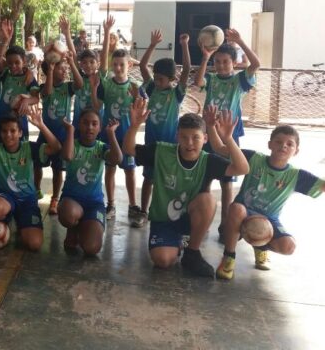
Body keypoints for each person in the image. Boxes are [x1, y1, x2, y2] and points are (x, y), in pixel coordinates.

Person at [123, 98, 248, 277]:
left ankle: (192, 252)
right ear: (177, 137)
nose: (190, 143)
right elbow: (128, 149)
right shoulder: (161, 151)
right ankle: (176, 243)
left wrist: (227, 139)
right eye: (184, 137)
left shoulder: (208, 160)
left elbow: (242, 169)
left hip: (190, 219)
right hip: (163, 220)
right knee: (163, 260)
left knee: (208, 200)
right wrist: (134, 126)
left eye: (196, 137)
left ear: (205, 139)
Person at [208, 121, 325, 280]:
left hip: (269, 219)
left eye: (289, 144)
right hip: (243, 212)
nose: (283, 146)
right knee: (237, 208)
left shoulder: (297, 175)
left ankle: (261, 245)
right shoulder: (254, 158)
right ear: (270, 144)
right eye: (278, 142)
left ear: (296, 151)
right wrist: (212, 127)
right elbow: (219, 148)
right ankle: (229, 257)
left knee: (288, 246)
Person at [194, 27, 260, 240]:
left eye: (225, 61)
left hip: (229, 136)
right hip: (207, 133)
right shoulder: (212, 79)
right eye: (218, 61)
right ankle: (201, 221)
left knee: (227, 182)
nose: (221, 65)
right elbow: (198, 82)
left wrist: (240, 42)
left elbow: (256, 64)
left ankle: (225, 225)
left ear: (234, 63)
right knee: (203, 180)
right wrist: (206, 58)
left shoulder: (239, 81)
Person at [0, 106, 60, 252]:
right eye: (4, 131)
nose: (8, 135)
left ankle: (22, 221)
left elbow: (56, 147)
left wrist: (41, 125)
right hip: (6, 197)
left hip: (27, 200)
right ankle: (7, 217)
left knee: (34, 244)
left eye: (13, 131)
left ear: (20, 133)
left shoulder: (29, 148)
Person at [134, 30, 191, 228]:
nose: (157, 82)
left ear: (172, 79)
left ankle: (169, 213)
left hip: (170, 146)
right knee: (148, 178)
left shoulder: (177, 94)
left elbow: (187, 70)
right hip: (152, 143)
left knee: (170, 181)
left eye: (161, 79)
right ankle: (143, 211)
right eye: (155, 78)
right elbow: (143, 66)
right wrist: (152, 45)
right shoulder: (151, 89)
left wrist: (184, 45)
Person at [98, 15, 144, 224]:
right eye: (114, 64)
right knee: (110, 169)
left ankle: (133, 205)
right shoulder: (107, 83)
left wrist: (139, 102)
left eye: (121, 65)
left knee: (130, 170)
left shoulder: (135, 87)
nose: (117, 68)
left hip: (127, 136)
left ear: (129, 66)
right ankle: (111, 204)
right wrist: (107, 32)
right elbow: (102, 64)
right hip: (109, 135)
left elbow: (141, 110)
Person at [58, 109, 122, 255]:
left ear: (100, 128)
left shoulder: (102, 147)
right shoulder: (72, 144)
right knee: (68, 215)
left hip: (94, 203)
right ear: (79, 125)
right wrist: (70, 130)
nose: (90, 127)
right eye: (85, 123)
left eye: (94, 124)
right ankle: (73, 228)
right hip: (72, 200)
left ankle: (84, 226)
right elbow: (67, 156)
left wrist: (111, 133)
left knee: (91, 248)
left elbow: (117, 159)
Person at [37, 40, 83, 215]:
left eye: (66, 69)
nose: (65, 72)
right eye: (61, 69)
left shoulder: (68, 87)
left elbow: (80, 84)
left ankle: (55, 199)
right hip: (45, 134)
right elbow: (48, 92)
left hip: (62, 136)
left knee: (58, 170)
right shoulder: (44, 87)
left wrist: (71, 62)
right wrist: (50, 70)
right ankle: (36, 190)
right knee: (37, 164)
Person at [0, 19, 39, 141]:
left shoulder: (29, 77)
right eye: (10, 63)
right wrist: (7, 40)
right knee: (0, 147)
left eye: (17, 62)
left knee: (21, 147)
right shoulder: (6, 73)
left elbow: (36, 98)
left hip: (19, 120)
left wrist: (27, 101)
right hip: (2, 117)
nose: (13, 66)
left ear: (24, 61)